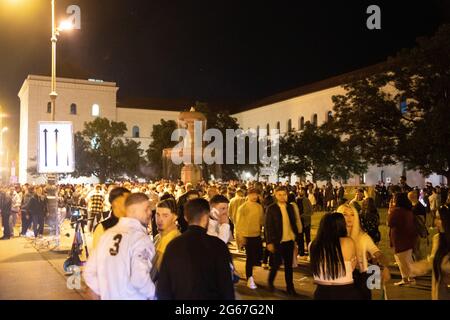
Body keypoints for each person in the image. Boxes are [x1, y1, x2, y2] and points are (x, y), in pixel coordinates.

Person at [156, 198, 235, 300]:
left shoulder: (174, 245)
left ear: (185, 217)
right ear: (206, 216)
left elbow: (163, 287)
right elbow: (226, 287)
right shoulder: (218, 245)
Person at [84, 193, 156, 300]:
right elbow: (139, 278)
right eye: (146, 209)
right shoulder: (140, 239)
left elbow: (89, 272)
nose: (150, 213)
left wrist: (105, 291)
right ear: (132, 211)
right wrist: (154, 295)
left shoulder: (107, 235)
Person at [337, 204, 391, 299]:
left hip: (360, 280)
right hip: (339, 279)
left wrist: (385, 267)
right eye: (345, 214)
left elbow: (378, 253)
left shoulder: (363, 237)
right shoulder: (334, 237)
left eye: (352, 214)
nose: (349, 218)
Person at [310, 212, 360, 300]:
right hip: (344, 290)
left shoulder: (313, 245)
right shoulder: (348, 242)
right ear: (341, 225)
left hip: (321, 291)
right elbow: (352, 266)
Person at [265, 186, 301, 296]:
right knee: (276, 264)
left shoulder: (290, 207)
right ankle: (270, 282)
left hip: (289, 240)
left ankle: (290, 287)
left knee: (289, 266)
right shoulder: (271, 208)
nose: (282, 197)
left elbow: (293, 222)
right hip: (277, 241)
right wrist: (269, 242)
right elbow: (268, 226)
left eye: (284, 194)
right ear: (275, 195)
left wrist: (296, 237)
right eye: (279, 195)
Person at [411, 205, 450, 300]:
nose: (435, 222)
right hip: (439, 292)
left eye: (439, 218)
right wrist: (421, 266)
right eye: (435, 218)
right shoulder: (437, 238)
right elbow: (434, 258)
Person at [235, 187, 264, 289]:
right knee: (250, 257)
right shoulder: (243, 207)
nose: (254, 196)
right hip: (247, 236)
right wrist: (240, 236)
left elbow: (261, 221)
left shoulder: (259, 207)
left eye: (256, 194)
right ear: (248, 195)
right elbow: (238, 223)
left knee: (258, 255)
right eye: (252, 194)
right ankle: (249, 277)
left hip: (257, 235)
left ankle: (250, 273)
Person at [388, 192, 417, 286]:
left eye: (394, 198)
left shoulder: (397, 211)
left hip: (399, 238)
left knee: (401, 260)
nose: (393, 200)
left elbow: (389, 222)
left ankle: (407, 279)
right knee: (408, 259)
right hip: (408, 238)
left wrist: (390, 210)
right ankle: (409, 278)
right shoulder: (408, 211)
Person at [151, 198, 181, 281]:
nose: (160, 219)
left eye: (165, 215)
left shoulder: (174, 241)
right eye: (157, 214)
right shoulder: (158, 237)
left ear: (175, 217)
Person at [408, 190, 428, 261]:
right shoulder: (413, 205)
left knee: (416, 248)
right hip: (413, 229)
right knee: (414, 249)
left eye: (408, 196)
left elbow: (422, 219)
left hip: (416, 230)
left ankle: (419, 263)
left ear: (412, 197)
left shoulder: (419, 206)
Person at [296, 187, 313, 256]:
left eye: (302, 190)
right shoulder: (296, 200)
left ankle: (309, 251)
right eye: (299, 190)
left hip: (306, 222)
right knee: (300, 237)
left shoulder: (307, 200)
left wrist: (303, 215)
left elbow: (311, 211)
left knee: (307, 237)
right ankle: (301, 251)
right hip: (299, 222)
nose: (300, 191)